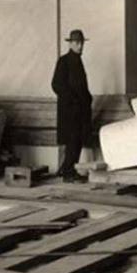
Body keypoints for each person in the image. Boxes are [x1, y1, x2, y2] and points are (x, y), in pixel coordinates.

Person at [51, 29, 92, 182]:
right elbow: (56, 85)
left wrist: (88, 98)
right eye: (77, 43)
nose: (80, 46)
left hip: (80, 110)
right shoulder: (64, 61)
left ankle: (68, 170)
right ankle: (68, 172)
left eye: (81, 43)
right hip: (70, 111)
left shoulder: (78, 61)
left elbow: (81, 86)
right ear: (71, 44)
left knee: (78, 139)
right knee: (72, 140)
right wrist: (73, 100)